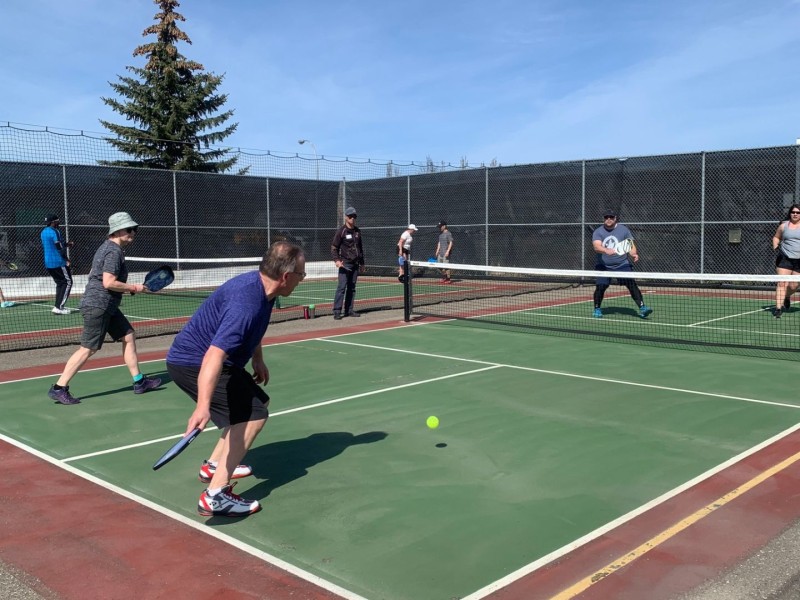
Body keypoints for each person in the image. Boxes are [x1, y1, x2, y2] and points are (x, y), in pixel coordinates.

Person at [166, 241, 306, 517]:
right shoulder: (246, 303)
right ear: (286, 276)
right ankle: (215, 496)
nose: (303, 279)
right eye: (301, 274)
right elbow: (213, 356)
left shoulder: (264, 288)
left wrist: (257, 358)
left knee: (255, 403)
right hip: (194, 363)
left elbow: (254, 328)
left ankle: (213, 466)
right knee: (254, 415)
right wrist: (203, 406)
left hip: (206, 361)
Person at [47, 212, 162, 405]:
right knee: (88, 348)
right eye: (129, 229)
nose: (133, 232)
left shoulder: (107, 248)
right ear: (116, 231)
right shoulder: (113, 251)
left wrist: (125, 289)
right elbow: (108, 282)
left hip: (107, 304)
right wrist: (133, 287)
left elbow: (95, 275)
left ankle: (139, 382)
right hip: (98, 305)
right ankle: (59, 388)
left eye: (134, 229)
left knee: (128, 335)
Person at [591, 210, 653, 319]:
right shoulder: (598, 231)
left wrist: (633, 254)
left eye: (611, 217)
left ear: (615, 218)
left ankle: (643, 308)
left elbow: (630, 245)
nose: (608, 219)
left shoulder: (623, 230)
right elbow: (596, 247)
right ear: (603, 219)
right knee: (601, 286)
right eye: (606, 217)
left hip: (622, 264)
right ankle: (597, 309)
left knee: (631, 284)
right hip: (603, 266)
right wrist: (605, 250)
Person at [330, 206, 365, 320]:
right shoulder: (341, 231)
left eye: (354, 217)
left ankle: (349, 310)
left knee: (352, 287)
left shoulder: (357, 231)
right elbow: (334, 247)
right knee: (341, 287)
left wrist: (362, 263)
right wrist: (337, 260)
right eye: (350, 217)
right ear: (346, 217)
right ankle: (337, 311)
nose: (352, 219)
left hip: (355, 264)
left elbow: (360, 248)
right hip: (345, 264)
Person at [41, 213, 74, 314]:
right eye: (57, 221)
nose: (59, 223)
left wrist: (66, 244)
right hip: (58, 262)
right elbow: (58, 247)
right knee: (68, 282)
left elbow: (54, 245)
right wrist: (66, 259)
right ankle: (59, 307)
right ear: (53, 222)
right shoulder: (55, 231)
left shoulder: (43, 232)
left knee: (60, 283)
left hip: (48, 263)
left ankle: (57, 306)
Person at [772, 204, 800, 318]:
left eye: (798, 212)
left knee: (794, 286)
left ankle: (787, 296)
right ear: (790, 213)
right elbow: (776, 237)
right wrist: (775, 245)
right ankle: (778, 308)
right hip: (785, 258)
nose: (795, 214)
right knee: (782, 283)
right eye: (793, 212)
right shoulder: (783, 226)